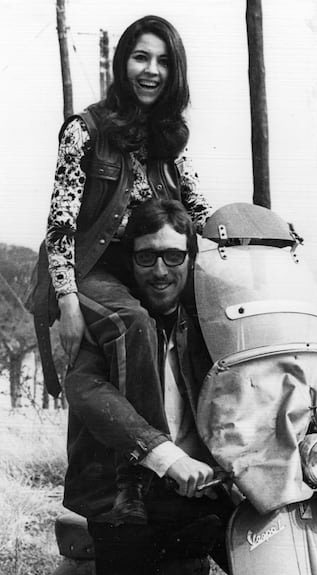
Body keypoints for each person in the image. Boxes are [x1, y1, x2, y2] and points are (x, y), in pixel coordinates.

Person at [32, 15, 211, 519]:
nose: (151, 70)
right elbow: (60, 224)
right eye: (140, 57)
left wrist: (247, 241)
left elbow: (199, 212)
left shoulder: (171, 140)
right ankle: (142, 473)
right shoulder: (84, 130)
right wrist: (66, 300)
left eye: (163, 60)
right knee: (131, 323)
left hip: (139, 270)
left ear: (175, 72)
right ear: (121, 63)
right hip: (84, 267)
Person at [63, 199, 233, 575]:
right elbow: (87, 390)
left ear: (192, 259)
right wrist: (167, 458)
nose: (160, 272)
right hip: (124, 503)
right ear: (130, 261)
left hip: (203, 489)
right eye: (147, 258)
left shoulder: (211, 326)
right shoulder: (109, 325)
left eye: (173, 257)